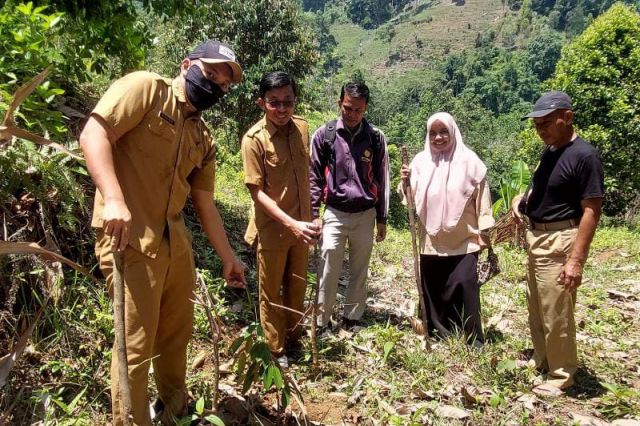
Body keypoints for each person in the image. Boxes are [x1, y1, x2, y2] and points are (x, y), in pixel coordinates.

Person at [79, 40, 246, 425]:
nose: (216, 86)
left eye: (223, 85)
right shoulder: (146, 89)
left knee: (175, 337)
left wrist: (228, 258)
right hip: (129, 238)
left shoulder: (203, 138)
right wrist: (114, 198)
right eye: (210, 74)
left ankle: (174, 413)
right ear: (187, 63)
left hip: (175, 245)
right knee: (134, 347)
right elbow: (93, 134)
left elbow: (206, 206)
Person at [512, 91, 604, 390]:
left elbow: (591, 209)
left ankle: (561, 374)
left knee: (557, 313)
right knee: (537, 307)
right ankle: (542, 359)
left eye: (547, 122)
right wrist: (521, 201)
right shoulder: (551, 151)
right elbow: (545, 189)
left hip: (560, 239)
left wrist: (576, 260)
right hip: (537, 238)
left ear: (567, 117)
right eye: (537, 124)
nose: (541, 129)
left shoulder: (584, 156)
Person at [241, 71, 319, 367]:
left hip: (303, 227)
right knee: (271, 289)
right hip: (273, 229)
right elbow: (256, 192)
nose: (283, 108)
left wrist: (312, 217)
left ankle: (295, 337)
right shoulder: (254, 140)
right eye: (275, 103)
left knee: (297, 284)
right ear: (262, 103)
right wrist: (291, 223)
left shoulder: (301, 128)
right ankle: (276, 349)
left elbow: (306, 176)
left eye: (288, 101)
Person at [400, 112, 494, 347]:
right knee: (433, 285)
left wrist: (484, 231)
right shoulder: (420, 162)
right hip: (430, 240)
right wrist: (405, 183)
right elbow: (409, 200)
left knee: (465, 283)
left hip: (464, 238)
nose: (438, 137)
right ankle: (439, 331)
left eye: (443, 132)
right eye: (433, 133)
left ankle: (473, 338)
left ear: (453, 132)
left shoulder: (469, 161)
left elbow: (483, 199)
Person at [310, 81, 389, 330]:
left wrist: (382, 218)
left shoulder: (376, 138)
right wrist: (313, 213)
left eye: (358, 110)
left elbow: (383, 177)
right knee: (328, 267)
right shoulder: (325, 135)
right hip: (334, 211)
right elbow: (313, 176)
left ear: (365, 108)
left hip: (365, 213)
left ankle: (352, 318)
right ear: (339, 104)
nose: (353, 115)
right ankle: (322, 321)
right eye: (348, 108)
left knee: (359, 268)